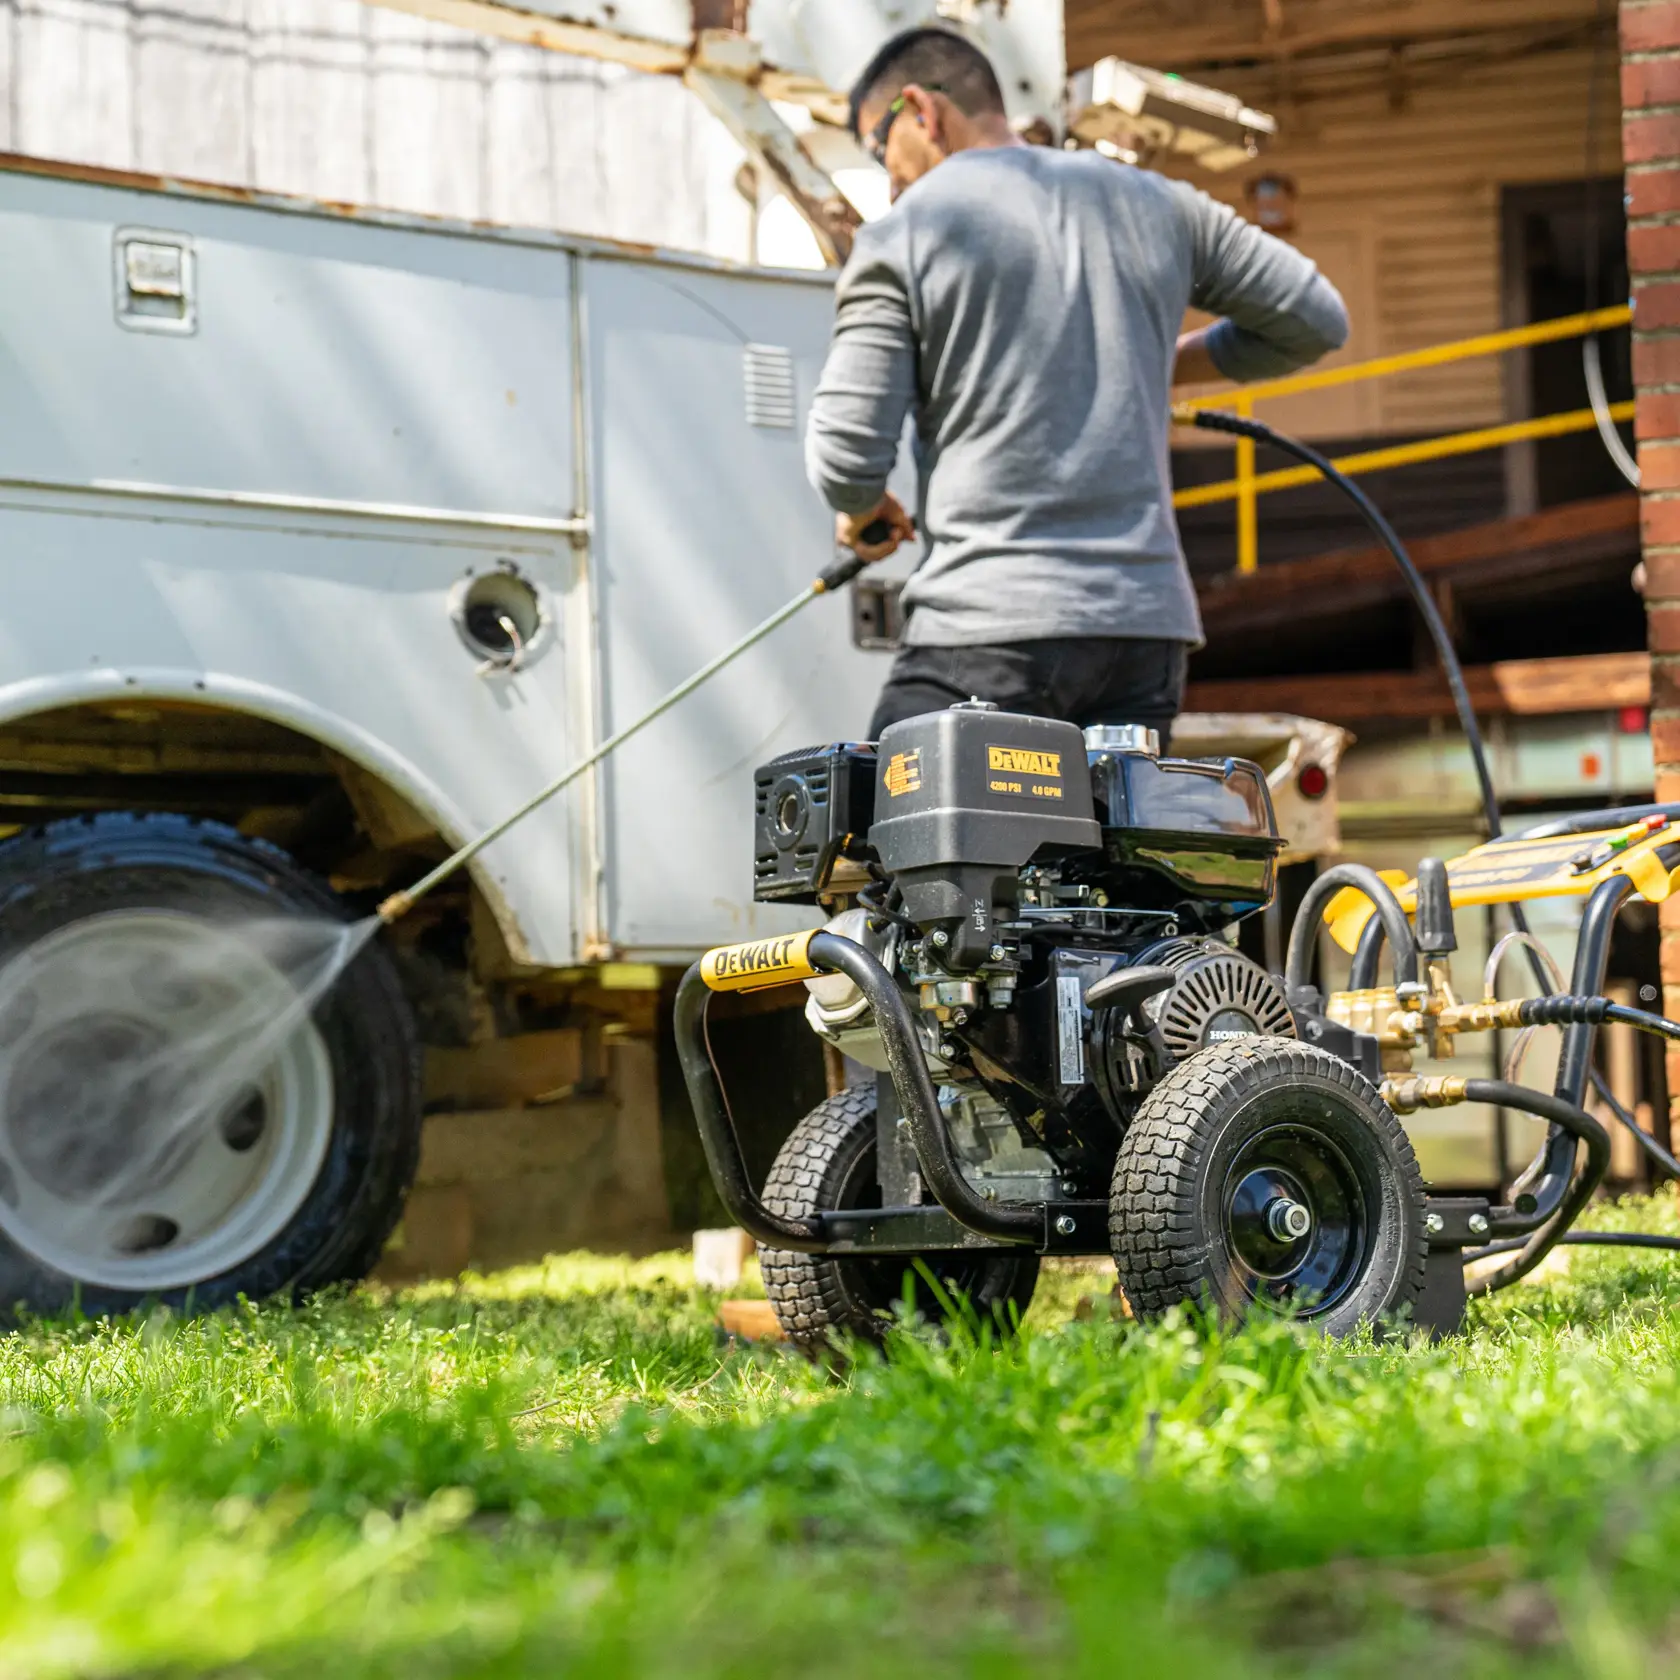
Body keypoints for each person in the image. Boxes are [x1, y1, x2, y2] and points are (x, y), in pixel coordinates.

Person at [804, 27, 1350, 746]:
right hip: (1142, 639)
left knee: (886, 839)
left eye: (881, 149)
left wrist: (864, 507)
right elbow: (1313, 321)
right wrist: (1157, 357)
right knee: (1107, 858)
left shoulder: (905, 233)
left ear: (922, 112)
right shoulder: (1162, 204)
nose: (890, 177)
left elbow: (845, 455)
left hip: (989, 629)